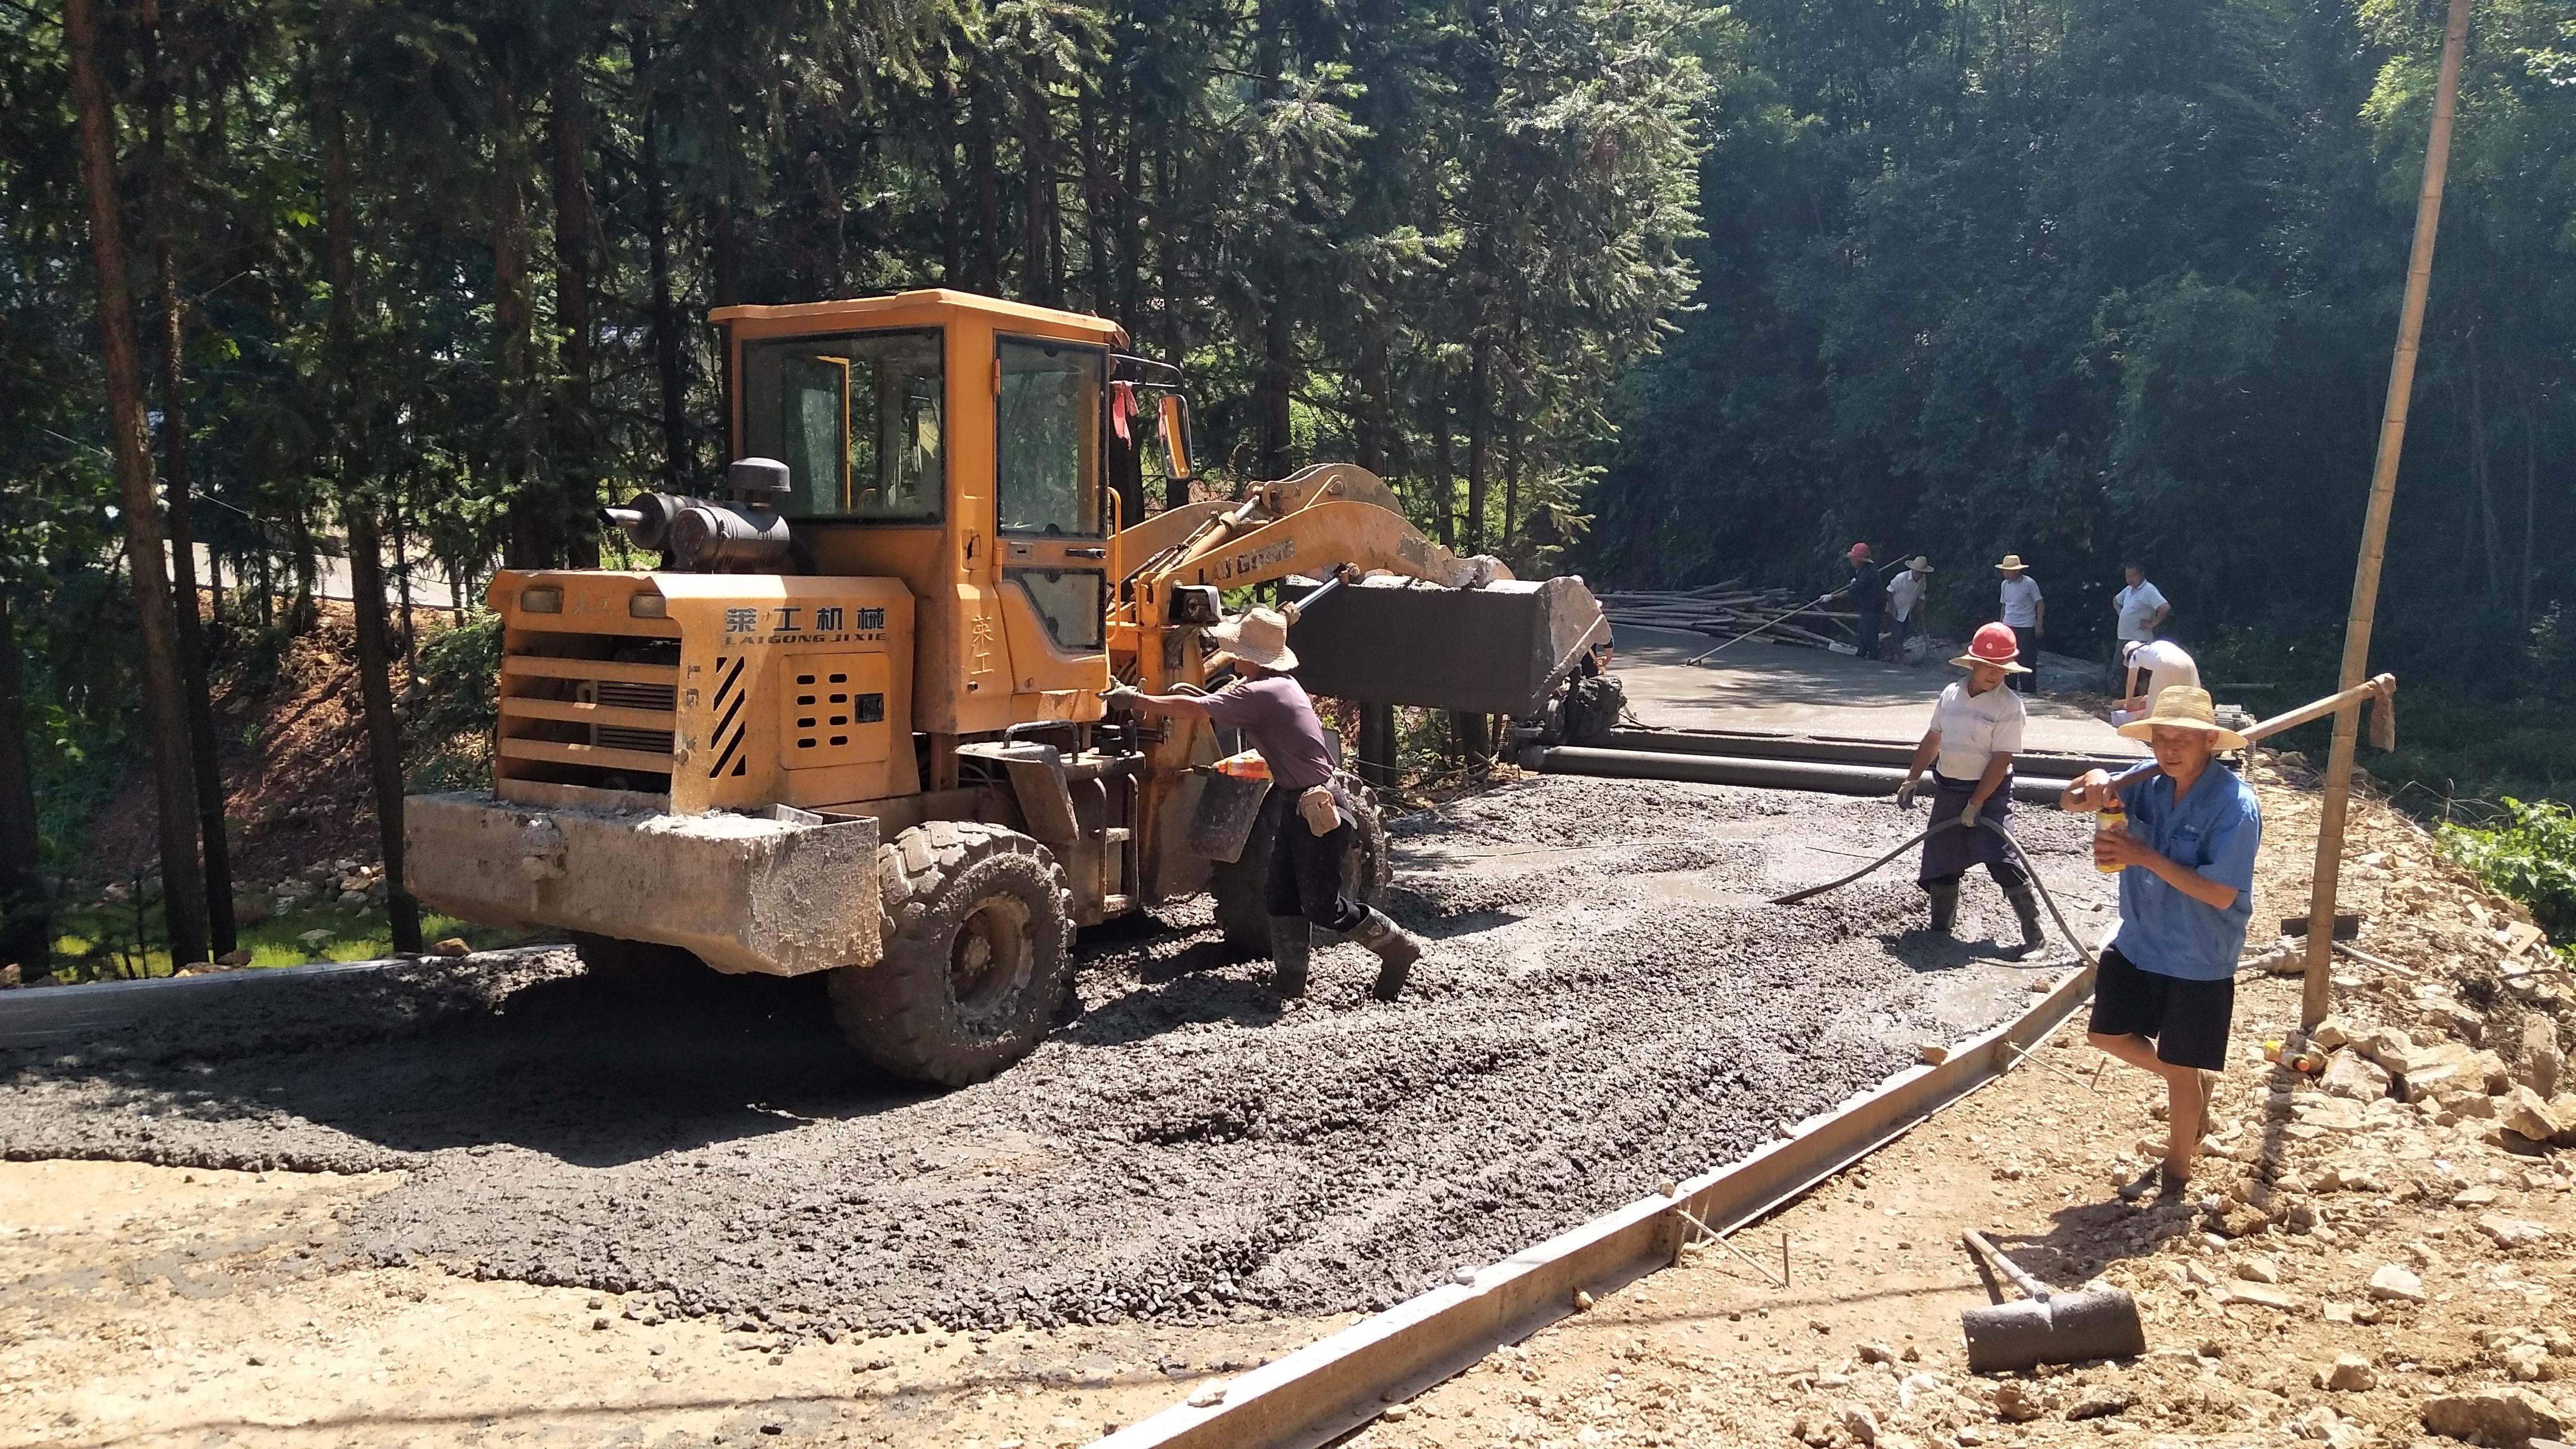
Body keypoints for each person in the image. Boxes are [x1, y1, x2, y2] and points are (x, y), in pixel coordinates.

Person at [1106, 605, 1424, 1001]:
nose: (1233, 656)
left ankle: (1398, 950)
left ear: (1251, 658)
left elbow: (1199, 710)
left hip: (1318, 810)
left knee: (1323, 907)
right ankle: (1290, 985)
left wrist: (1136, 699)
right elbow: (1211, 702)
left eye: (1238, 650)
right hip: (1299, 805)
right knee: (1281, 897)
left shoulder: (1262, 693)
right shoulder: (1279, 686)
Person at [2059, 685, 2261, 1204]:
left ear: (2210, 743)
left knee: (2178, 1066)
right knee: (2106, 1035)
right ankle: (2187, 1080)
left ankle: (2177, 1166)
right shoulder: (2145, 787)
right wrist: (2095, 781)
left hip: (2199, 953)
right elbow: (2068, 802)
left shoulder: (2235, 805)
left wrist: (2143, 856)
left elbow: (2220, 893)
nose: (2170, 750)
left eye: (2183, 740)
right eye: (2161, 739)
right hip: (2140, 937)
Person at [1892, 622, 2045, 954]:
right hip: (1949, 788)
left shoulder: (2009, 706)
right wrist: (1913, 777)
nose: (1993, 673)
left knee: (2002, 859)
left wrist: (1977, 804)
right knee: (1942, 859)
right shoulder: (1951, 695)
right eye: (1987, 665)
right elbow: (1934, 737)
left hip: (1990, 794)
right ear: (1973, 663)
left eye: (2000, 668)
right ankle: (1940, 930)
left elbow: (2001, 760)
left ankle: (2035, 937)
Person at [2116, 638, 2200, 721]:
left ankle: (2151, 726)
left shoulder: (2134, 655)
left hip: (2165, 662)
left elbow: (2130, 684)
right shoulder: (2156, 645)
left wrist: (2129, 702)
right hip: (2188, 662)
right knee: (2188, 697)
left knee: (2153, 707)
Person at [1995, 555, 2044, 694]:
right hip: (2009, 625)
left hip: (2026, 626)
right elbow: (2004, 605)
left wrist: (2039, 625)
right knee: (2009, 659)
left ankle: (2029, 691)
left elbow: (2039, 603)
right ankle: (2009, 690)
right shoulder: (2004, 585)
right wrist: (2001, 624)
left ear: (2016, 571)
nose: (2004, 573)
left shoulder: (2029, 583)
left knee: (2026, 660)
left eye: (2007, 570)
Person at [1829, 543, 1885, 660]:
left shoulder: (1868, 573)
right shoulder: (1862, 571)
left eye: (1853, 558)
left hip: (1874, 607)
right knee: (1863, 631)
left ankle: (1874, 657)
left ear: (1861, 560)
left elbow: (1852, 591)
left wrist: (1832, 597)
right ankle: (1861, 654)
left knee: (1869, 633)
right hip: (1867, 606)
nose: (1851, 561)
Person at [2112, 565, 2171, 674]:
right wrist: (2122, 615)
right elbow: (2116, 601)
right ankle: (2120, 692)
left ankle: (2143, 692)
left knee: (2141, 674)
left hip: (2140, 640)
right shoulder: (2129, 590)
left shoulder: (2149, 590)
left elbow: (2165, 607)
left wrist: (2152, 624)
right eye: (2127, 576)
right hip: (2123, 638)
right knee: (2119, 672)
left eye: (2133, 576)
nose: (2130, 579)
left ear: (2141, 574)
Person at [1885, 556, 1933, 662]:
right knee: (1898, 635)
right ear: (1913, 570)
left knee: (1906, 633)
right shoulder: (1901, 578)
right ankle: (1901, 660)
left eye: (1922, 572)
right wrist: (1893, 608)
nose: (1920, 574)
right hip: (1896, 609)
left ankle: (1894, 652)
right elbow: (1889, 591)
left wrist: (1921, 606)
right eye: (1918, 572)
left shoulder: (1922, 580)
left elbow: (1921, 594)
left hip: (1907, 611)